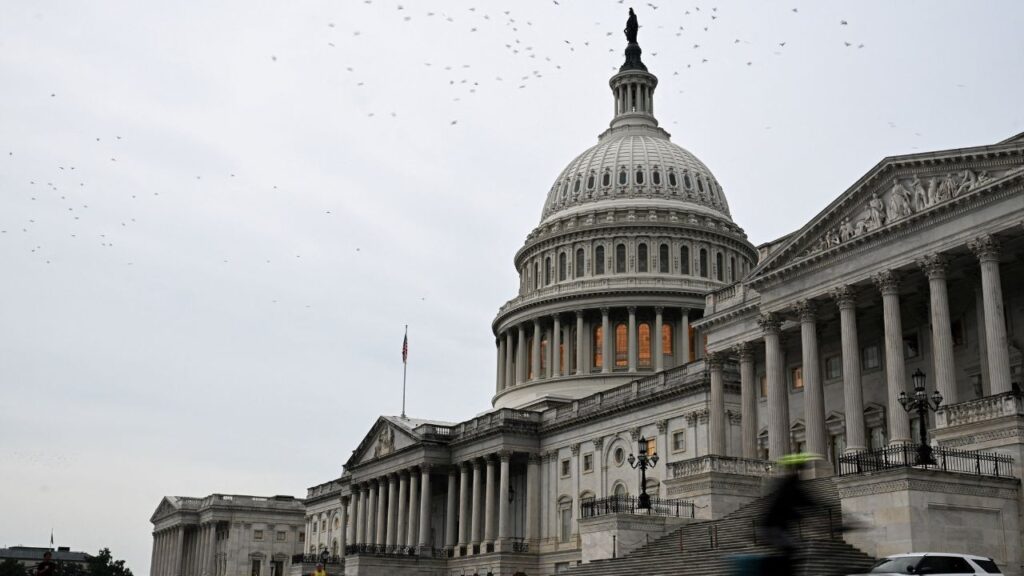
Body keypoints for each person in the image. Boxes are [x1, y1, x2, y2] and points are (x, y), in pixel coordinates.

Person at [759, 453, 822, 575]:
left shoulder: (790, 484)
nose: (799, 472)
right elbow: (810, 503)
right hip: (771, 528)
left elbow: (810, 503)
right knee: (792, 549)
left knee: (791, 550)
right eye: (798, 469)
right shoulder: (789, 485)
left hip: (777, 527)